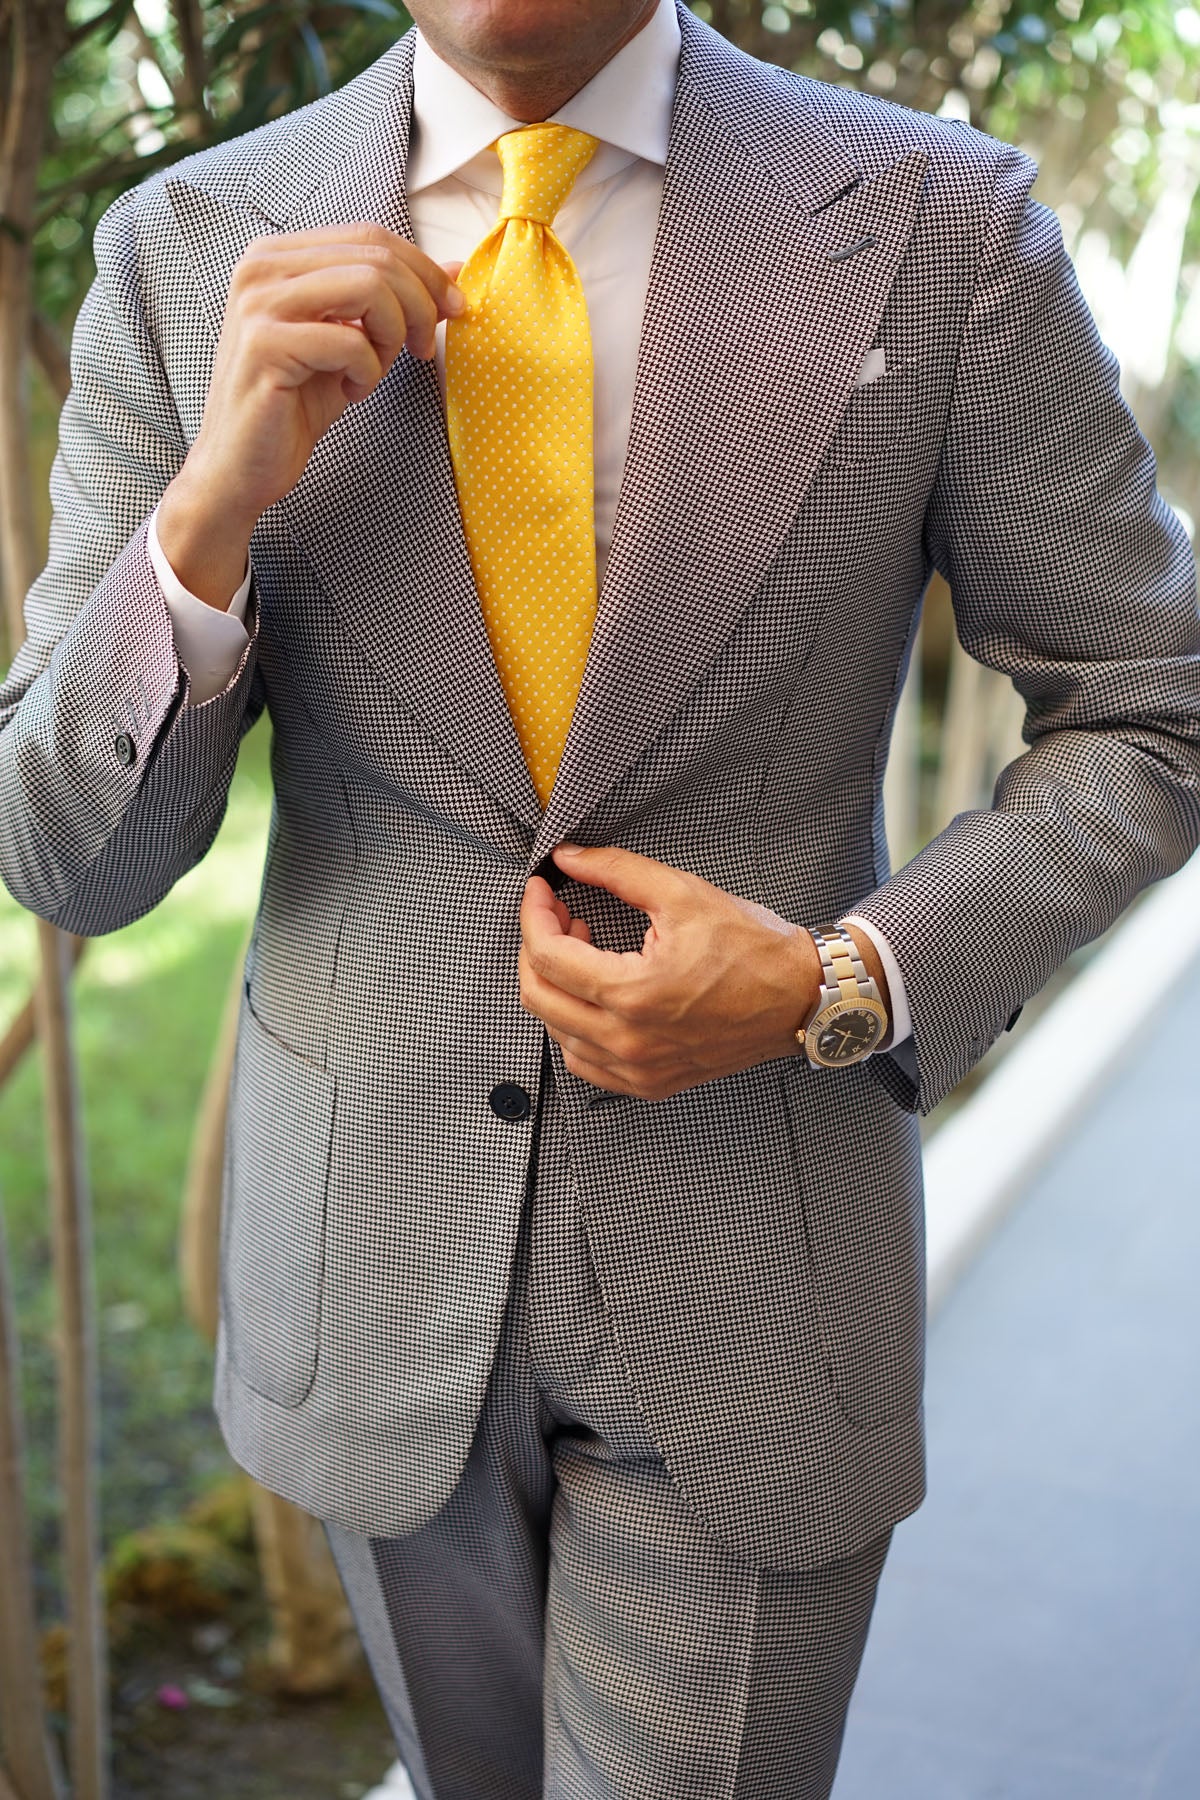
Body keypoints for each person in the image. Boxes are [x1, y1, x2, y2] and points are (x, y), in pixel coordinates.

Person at [2, 0, 1198, 1794]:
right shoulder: (187, 250)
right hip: (369, 1261)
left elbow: (1151, 706)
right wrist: (205, 518)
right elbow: (73, 856)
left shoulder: (938, 224)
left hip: (754, 1260)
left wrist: (842, 975)